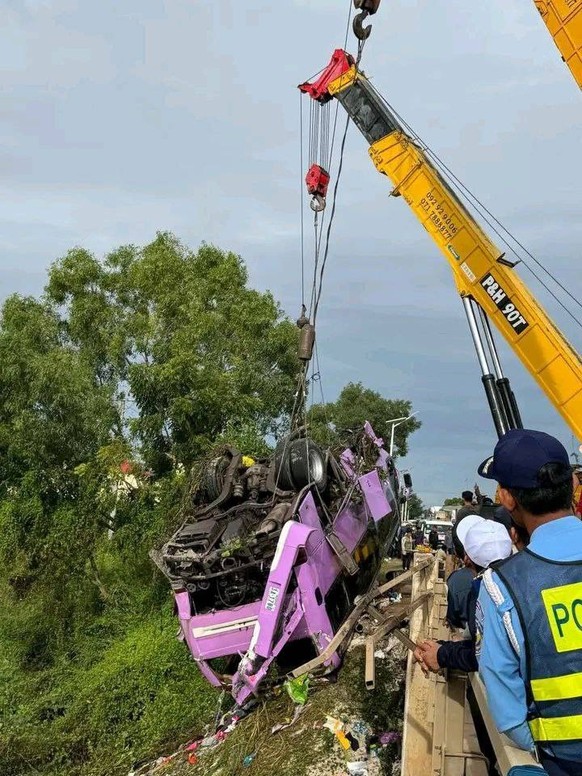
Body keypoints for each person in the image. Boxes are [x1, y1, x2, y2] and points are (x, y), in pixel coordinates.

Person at [476, 429, 582, 776]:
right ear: (570, 486)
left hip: (563, 760)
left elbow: (508, 712)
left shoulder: (502, 585)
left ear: (507, 499)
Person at [414, 515, 512, 674]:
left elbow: (485, 655)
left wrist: (441, 654)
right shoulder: (518, 579)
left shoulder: (484, 591)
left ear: (466, 558)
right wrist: (440, 648)